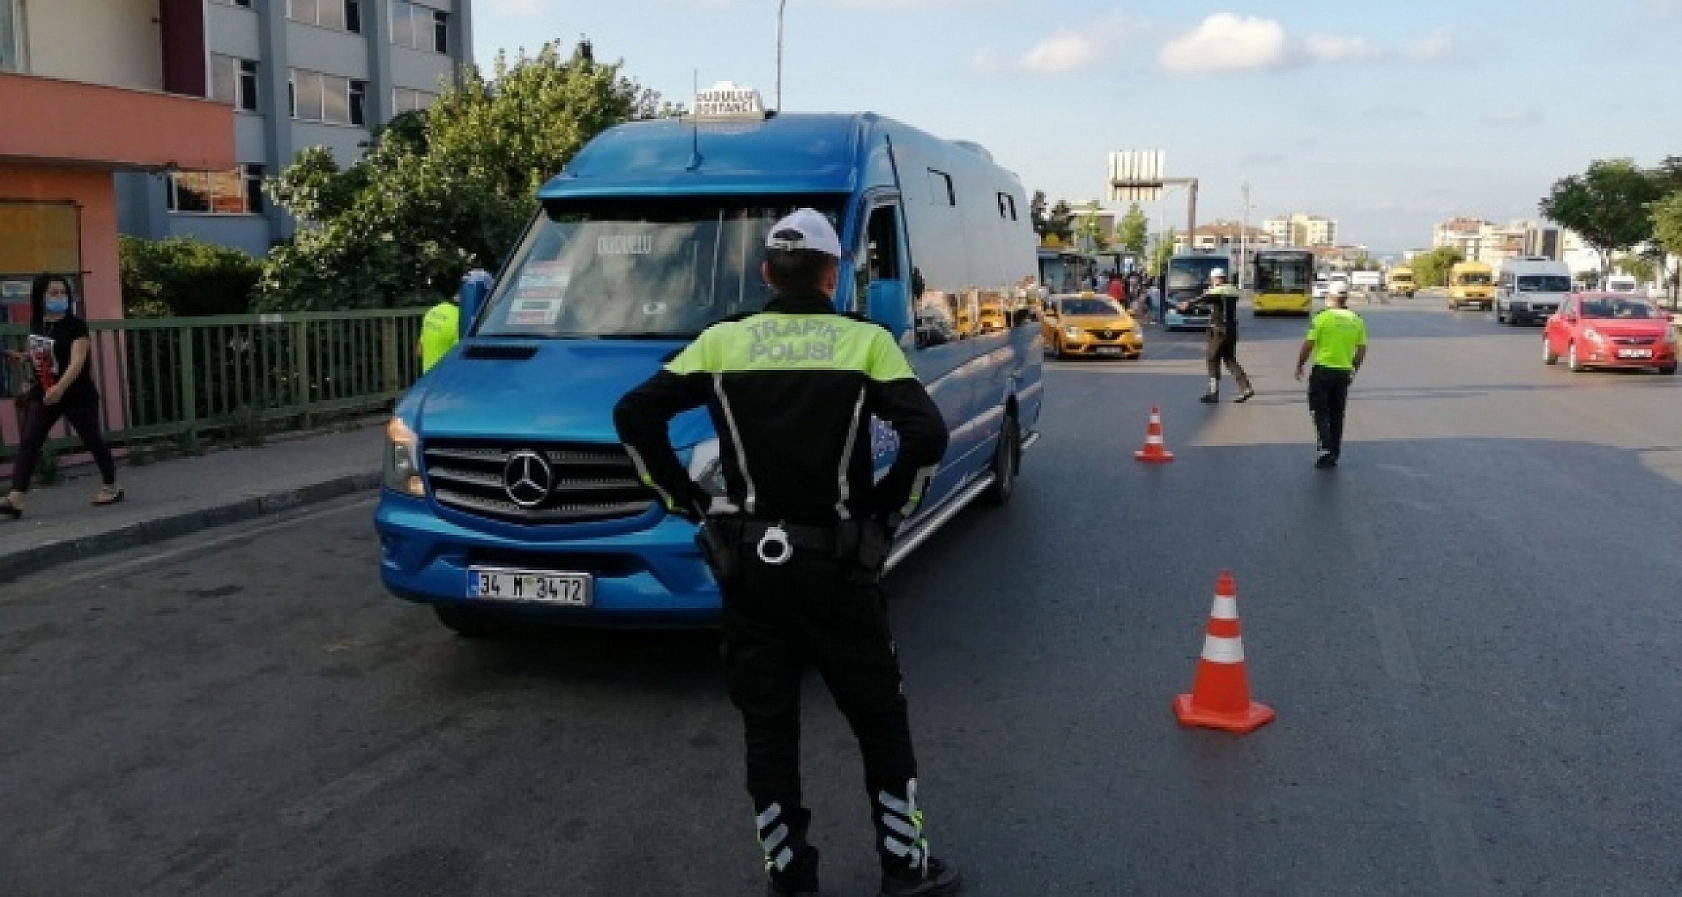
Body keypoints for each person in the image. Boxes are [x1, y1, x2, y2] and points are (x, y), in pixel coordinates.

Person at [613, 209, 959, 897]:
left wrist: (689, 500)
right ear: (833, 277)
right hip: (840, 566)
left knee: (769, 728)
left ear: (767, 272)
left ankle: (790, 875)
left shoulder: (722, 342)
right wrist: (884, 509)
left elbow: (633, 414)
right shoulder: (866, 343)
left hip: (750, 569)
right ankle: (905, 867)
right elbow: (928, 435)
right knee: (878, 717)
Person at [1, 274, 122, 520]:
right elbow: (44, 350)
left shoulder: (76, 326)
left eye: (63, 292)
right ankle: (16, 498)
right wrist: (24, 357)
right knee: (30, 440)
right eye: (53, 293)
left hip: (76, 392)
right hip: (45, 389)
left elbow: (77, 361)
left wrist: (60, 388)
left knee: (92, 439)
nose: (60, 297)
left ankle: (111, 486)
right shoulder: (38, 323)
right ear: (40, 297)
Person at [1295, 280, 1368, 468]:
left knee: (1318, 410)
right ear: (1346, 298)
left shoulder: (1322, 318)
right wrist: (1353, 369)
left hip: (1323, 371)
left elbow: (1308, 344)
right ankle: (1334, 452)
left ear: (1329, 296)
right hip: (1343, 373)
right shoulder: (1356, 320)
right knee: (1337, 413)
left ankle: (1326, 448)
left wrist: (1300, 364)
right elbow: (1361, 350)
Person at [1179, 267, 1254, 403]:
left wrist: (1188, 303)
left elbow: (1204, 298)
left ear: (1216, 279)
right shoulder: (1232, 290)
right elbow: (1215, 303)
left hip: (1218, 331)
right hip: (1231, 330)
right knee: (1229, 359)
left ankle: (1213, 393)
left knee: (1212, 359)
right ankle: (1246, 387)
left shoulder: (1217, 291)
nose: (1212, 281)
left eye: (1213, 279)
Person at [416, 268, 486, 373]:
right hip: (448, 378)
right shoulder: (463, 319)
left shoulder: (432, 311)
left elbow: (419, 350)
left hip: (428, 378)